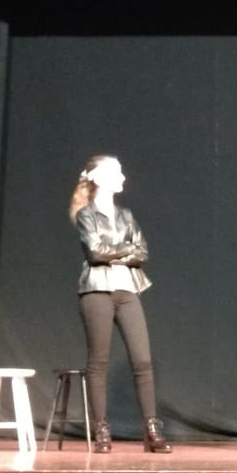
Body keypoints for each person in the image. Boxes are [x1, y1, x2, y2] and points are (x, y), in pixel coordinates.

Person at [69, 155, 171, 454]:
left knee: (143, 361)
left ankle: (151, 429)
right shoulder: (86, 215)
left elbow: (143, 252)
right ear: (98, 177)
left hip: (127, 290)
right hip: (96, 291)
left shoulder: (126, 215)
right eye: (117, 172)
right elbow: (95, 253)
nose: (123, 177)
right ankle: (101, 429)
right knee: (98, 362)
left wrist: (117, 252)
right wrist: (125, 250)